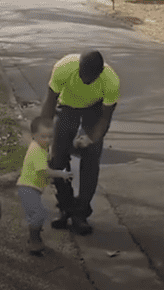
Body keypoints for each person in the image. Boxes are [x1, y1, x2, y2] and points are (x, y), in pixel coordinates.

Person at [40, 50, 120, 235]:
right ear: (78, 68)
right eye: (83, 74)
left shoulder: (111, 81)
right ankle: (66, 207)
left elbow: (105, 119)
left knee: (91, 157)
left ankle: (81, 213)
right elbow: (50, 104)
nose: (86, 79)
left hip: (94, 109)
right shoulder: (63, 68)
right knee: (57, 159)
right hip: (67, 107)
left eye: (91, 77)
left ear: (100, 73)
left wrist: (91, 137)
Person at [16, 116, 74, 255]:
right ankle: (34, 242)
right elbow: (44, 171)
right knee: (39, 213)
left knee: (37, 214)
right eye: (43, 136)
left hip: (32, 188)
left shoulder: (40, 147)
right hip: (28, 188)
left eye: (50, 137)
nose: (47, 140)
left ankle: (35, 237)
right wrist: (61, 174)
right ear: (33, 136)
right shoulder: (37, 150)